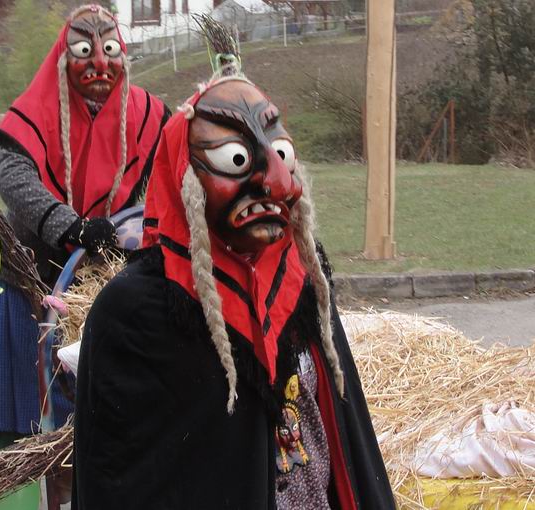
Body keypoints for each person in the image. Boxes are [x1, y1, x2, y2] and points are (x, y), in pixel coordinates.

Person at [72, 18, 395, 509]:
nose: (279, 183)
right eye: (236, 161)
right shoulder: (139, 311)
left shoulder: (302, 276)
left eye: (281, 154)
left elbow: (344, 430)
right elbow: (126, 478)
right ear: (184, 181)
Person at [0, 3, 169, 487]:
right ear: (65, 58)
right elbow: (15, 178)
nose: (99, 65)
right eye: (85, 52)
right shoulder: (35, 110)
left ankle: (81, 473)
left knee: (100, 390)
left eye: (110, 51)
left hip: (103, 278)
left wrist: (139, 231)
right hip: (32, 274)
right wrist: (73, 226)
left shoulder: (146, 115)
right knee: (16, 395)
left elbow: (163, 179)